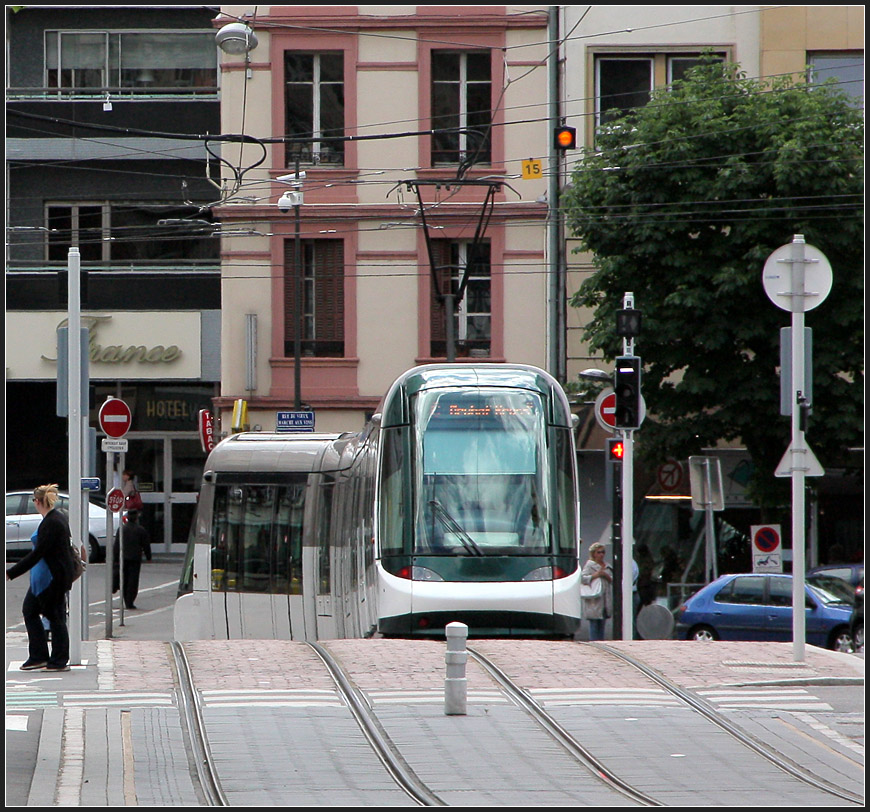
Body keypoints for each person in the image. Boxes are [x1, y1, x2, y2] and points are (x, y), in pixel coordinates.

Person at [6, 484, 76, 672]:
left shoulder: (52, 522)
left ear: (38, 501)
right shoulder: (54, 518)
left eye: (34, 501)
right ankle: (39, 656)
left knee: (55, 617)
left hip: (51, 579)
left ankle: (58, 660)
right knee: (33, 611)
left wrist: (10, 573)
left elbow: (37, 554)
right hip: (45, 578)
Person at [113, 510, 151, 609]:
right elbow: (146, 545)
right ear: (136, 518)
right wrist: (148, 557)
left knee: (124, 580)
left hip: (123, 558)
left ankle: (126, 598)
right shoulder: (140, 530)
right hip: (135, 558)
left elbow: (117, 545)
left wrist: (115, 558)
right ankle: (129, 601)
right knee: (133, 581)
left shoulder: (121, 529)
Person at [581, 542, 613, 641]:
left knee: (602, 621)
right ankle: (594, 642)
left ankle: (601, 641)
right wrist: (596, 575)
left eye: (603, 552)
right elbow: (583, 578)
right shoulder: (590, 565)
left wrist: (605, 575)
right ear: (594, 553)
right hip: (594, 598)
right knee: (594, 623)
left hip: (605, 597)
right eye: (599, 552)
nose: (601, 554)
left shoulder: (608, 566)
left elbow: (613, 580)